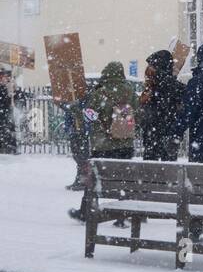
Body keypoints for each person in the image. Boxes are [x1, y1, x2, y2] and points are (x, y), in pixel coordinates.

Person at [68, 62, 137, 222]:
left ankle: (85, 211)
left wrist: (77, 110)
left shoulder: (100, 93)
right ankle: (123, 215)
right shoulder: (130, 91)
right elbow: (137, 115)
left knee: (94, 179)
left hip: (103, 145)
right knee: (123, 179)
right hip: (125, 144)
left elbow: (90, 116)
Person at [137, 49, 186, 161]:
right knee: (168, 171)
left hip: (154, 136)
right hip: (169, 137)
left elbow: (147, 113)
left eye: (152, 66)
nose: (149, 71)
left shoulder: (156, 86)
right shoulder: (173, 85)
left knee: (151, 171)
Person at [0, 65, 17, 154]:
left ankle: (11, 148)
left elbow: (17, 94)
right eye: (3, 76)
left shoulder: (7, 86)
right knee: (5, 130)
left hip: (7, 112)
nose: (5, 78)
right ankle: (6, 148)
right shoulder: (3, 88)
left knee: (10, 129)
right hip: (3, 112)